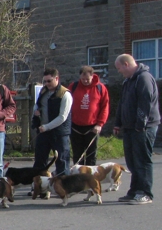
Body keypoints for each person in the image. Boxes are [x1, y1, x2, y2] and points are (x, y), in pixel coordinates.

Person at [113, 54, 159, 205]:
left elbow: (145, 104)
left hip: (143, 128)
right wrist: (118, 123)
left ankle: (145, 193)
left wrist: (140, 125)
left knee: (142, 160)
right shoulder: (128, 81)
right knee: (132, 161)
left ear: (126, 64)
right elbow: (123, 103)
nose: (119, 71)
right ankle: (134, 191)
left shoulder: (143, 78)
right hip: (130, 127)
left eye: (119, 68)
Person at [32, 68, 73, 176]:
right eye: (45, 81)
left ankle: (63, 189)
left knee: (62, 161)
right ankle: (38, 188)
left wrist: (47, 127)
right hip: (43, 132)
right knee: (40, 161)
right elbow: (38, 104)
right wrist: (35, 111)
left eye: (49, 81)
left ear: (57, 78)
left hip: (59, 133)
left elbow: (62, 117)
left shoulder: (65, 94)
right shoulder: (43, 91)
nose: (46, 83)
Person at [68, 66, 110, 166]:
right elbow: (66, 103)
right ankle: (78, 177)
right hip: (75, 127)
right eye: (83, 79)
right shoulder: (73, 86)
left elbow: (105, 107)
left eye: (87, 79)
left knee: (91, 154)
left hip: (92, 127)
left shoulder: (100, 88)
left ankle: (89, 178)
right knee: (77, 154)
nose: (85, 81)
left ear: (92, 76)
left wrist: (100, 124)